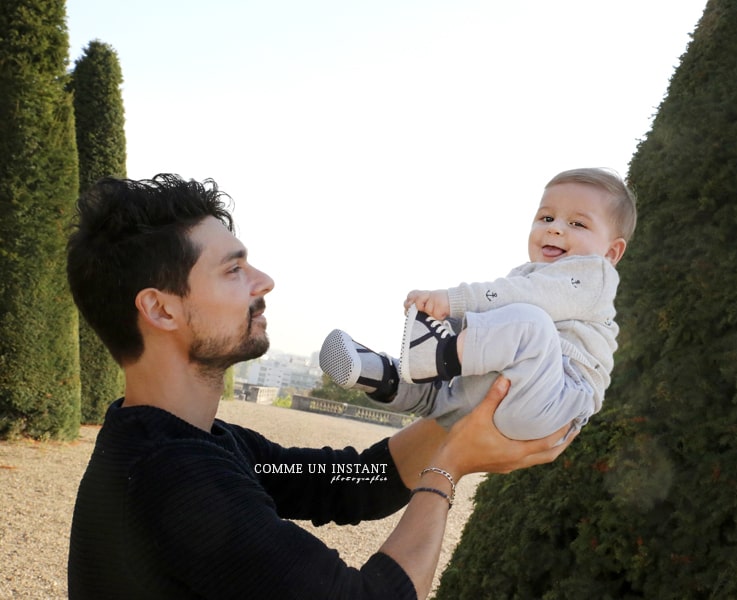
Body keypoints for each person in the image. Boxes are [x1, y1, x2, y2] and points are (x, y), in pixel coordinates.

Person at [65, 174, 574, 600]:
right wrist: (448, 469)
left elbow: (351, 482)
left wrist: (462, 414)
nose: (264, 280)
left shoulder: (192, 442)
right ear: (161, 309)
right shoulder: (173, 478)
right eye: (234, 269)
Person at [319, 167, 636, 441]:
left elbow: (520, 297)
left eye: (577, 224)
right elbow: (500, 309)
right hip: (505, 396)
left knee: (527, 322)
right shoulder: (525, 277)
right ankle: (385, 377)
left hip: (557, 400)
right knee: (446, 389)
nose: (555, 228)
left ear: (611, 253)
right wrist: (450, 319)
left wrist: (452, 301)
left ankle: (435, 357)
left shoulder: (596, 276)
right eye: (547, 217)